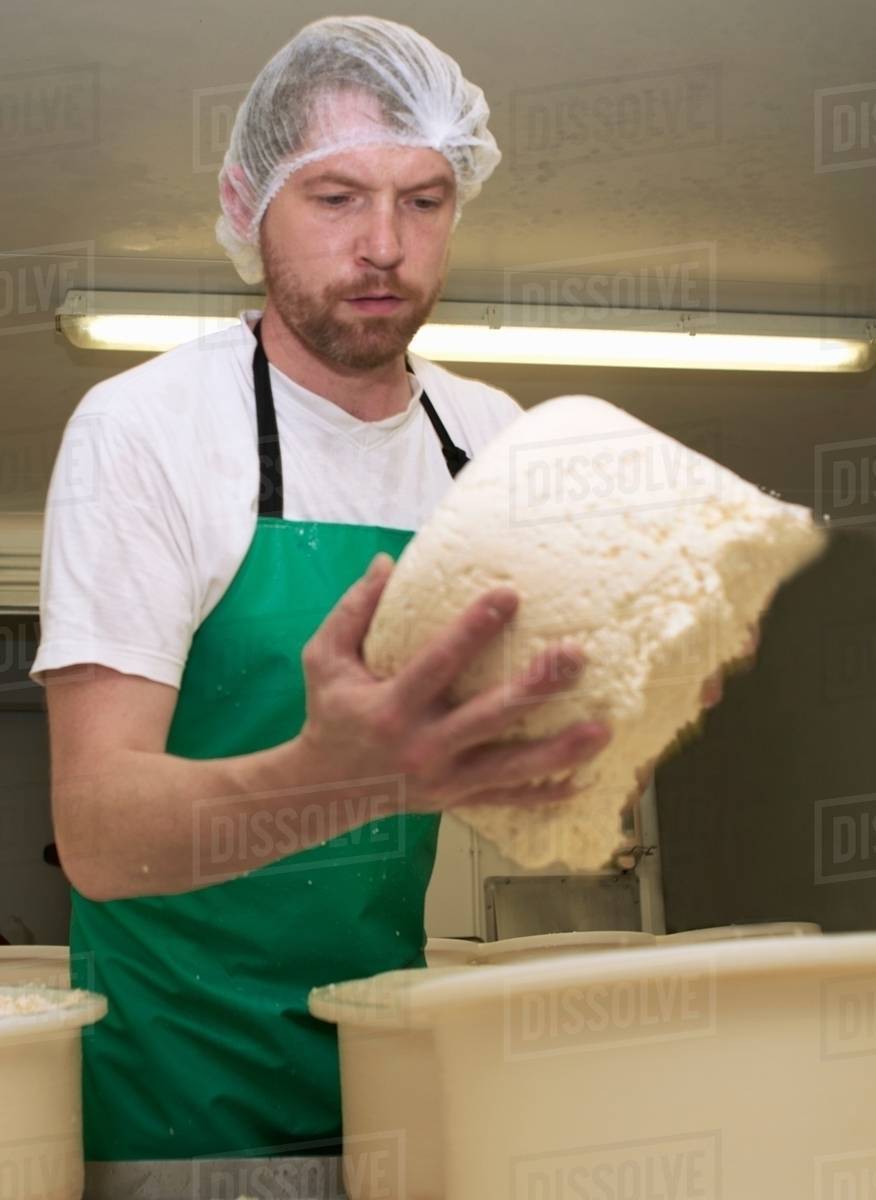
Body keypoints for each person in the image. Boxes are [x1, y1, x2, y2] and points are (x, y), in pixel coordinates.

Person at [29, 15, 615, 1162]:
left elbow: (540, 767)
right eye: (337, 198)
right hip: (183, 1113)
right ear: (246, 204)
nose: (385, 245)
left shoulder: (489, 437)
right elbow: (96, 832)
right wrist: (330, 776)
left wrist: (626, 696)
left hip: (404, 1078)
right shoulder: (147, 428)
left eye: (425, 200)